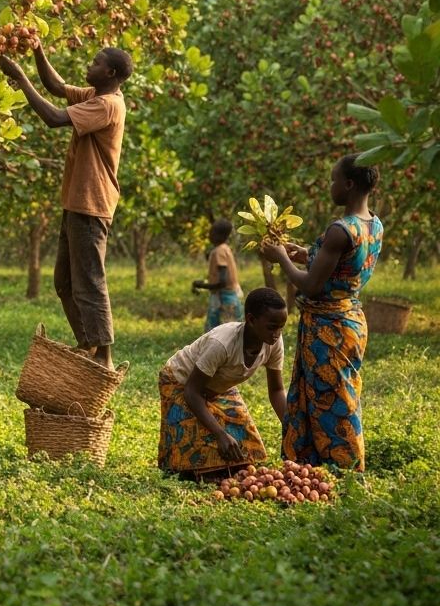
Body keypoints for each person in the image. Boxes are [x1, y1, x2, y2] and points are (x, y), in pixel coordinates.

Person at [0, 44, 133, 369]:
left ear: (111, 73)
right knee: (65, 281)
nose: (90, 65)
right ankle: (87, 343)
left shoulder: (106, 105)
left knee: (89, 280)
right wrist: (37, 49)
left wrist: (19, 77)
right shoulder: (94, 95)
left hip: (92, 203)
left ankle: (104, 355)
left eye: (96, 62)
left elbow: (53, 117)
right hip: (77, 201)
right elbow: (56, 88)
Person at [261, 155, 384, 472]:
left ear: (349, 184)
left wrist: (281, 259)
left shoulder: (340, 230)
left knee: (333, 401)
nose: (330, 186)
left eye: (333, 180)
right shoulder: (374, 224)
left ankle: (343, 469)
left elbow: (312, 284)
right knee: (335, 394)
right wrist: (305, 253)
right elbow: (343, 268)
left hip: (328, 328)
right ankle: (314, 468)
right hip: (351, 319)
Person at [158, 287, 288, 479]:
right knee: (192, 453)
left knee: (247, 453)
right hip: (181, 381)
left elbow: (276, 390)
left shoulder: (273, 343)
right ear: (251, 320)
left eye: (280, 327)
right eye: (271, 327)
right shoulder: (222, 343)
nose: (277, 334)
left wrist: (292, 429)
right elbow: (192, 392)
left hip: (218, 387)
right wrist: (219, 433)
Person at [191, 219, 244, 331]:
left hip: (224, 298)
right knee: (230, 332)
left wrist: (201, 286)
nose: (209, 234)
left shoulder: (219, 251)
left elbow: (222, 282)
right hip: (230, 296)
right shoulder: (225, 248)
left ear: (218, 235)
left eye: (212, 232)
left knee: (222, 333)